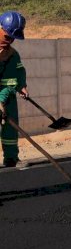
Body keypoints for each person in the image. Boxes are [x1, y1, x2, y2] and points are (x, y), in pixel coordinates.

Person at [0, 10, 29, 168]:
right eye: (7, 36)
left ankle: (11, 158)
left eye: (13, 38)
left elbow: (17, 72)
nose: (10, 40)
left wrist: (22, 86)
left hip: (7, 94)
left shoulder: (12, 54)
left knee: (11, 126)